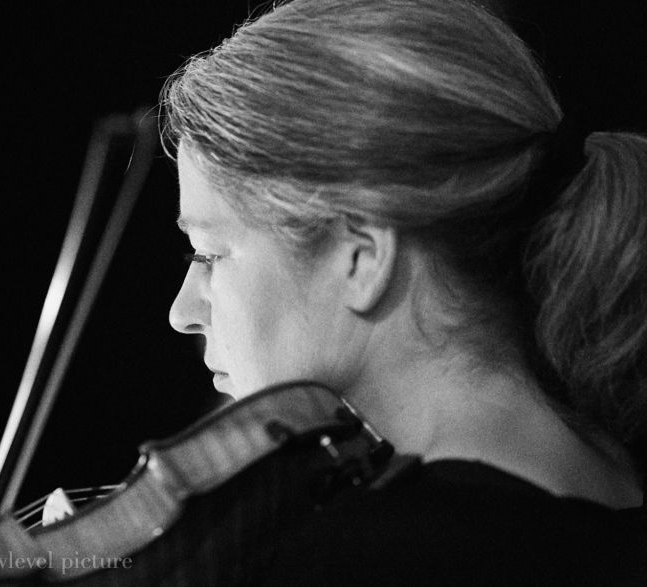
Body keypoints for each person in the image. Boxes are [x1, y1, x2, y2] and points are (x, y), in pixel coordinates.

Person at [162, 0, 647, 583]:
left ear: (361, 258)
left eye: (210, 254)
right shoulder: (618, 483)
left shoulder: (361, 560)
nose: (182, 312)